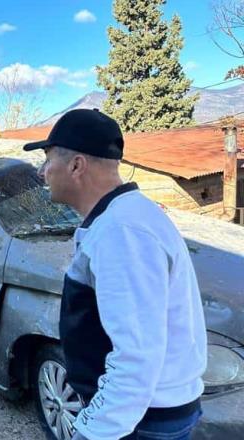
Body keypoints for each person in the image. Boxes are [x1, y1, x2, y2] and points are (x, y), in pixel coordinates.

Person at [23, 109, 206, 440]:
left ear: (76, 166)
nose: (42, 171)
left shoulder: (122, 232)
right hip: (146, 414)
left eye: (48, 159)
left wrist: (93, 433)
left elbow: (135, 358)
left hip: (143, 421)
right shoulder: (121, 218)